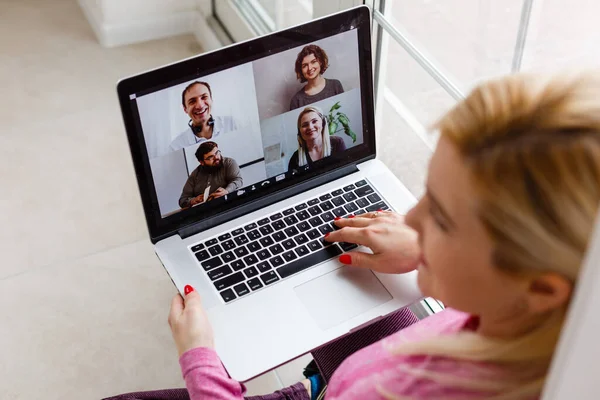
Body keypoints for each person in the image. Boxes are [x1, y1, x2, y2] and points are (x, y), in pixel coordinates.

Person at [167, 72, 600, 399]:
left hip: (355, 384)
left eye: (444, 220)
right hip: (378, 364)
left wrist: (200, 359)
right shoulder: (535, 326)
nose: (410, 220)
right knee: (342, 266)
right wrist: (425, 254)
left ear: (541, 287)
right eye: (430, 193)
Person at [169, 81, 237, 152]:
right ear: (185, 109)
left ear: (211, 99)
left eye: (204, 97)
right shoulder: (176, 147)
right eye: (192, 101)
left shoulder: (232, 124)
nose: (200, 106)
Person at [179, 141, 243, 208]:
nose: (216, 158)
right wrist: (193, 200)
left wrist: (227, 191)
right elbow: (182, 200)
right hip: (205, 211)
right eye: (211, 157)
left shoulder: (229, 163)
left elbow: (238, 180)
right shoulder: (195, 174)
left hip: (229, 204)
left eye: (217, 153)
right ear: (202, 162)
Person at [288, 106, 347, 171]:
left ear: (323, 123)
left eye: (314, 121)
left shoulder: (337, 143)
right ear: (300, 131)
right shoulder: (295, 158)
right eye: (305, 125)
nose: (310, 127)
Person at [289, 44, 344, 111]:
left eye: (313, 62)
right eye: (305, 65)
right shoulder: (296, 100)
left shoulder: (335, 85)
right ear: (301, 70)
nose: (310, 68)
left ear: (320, 62)